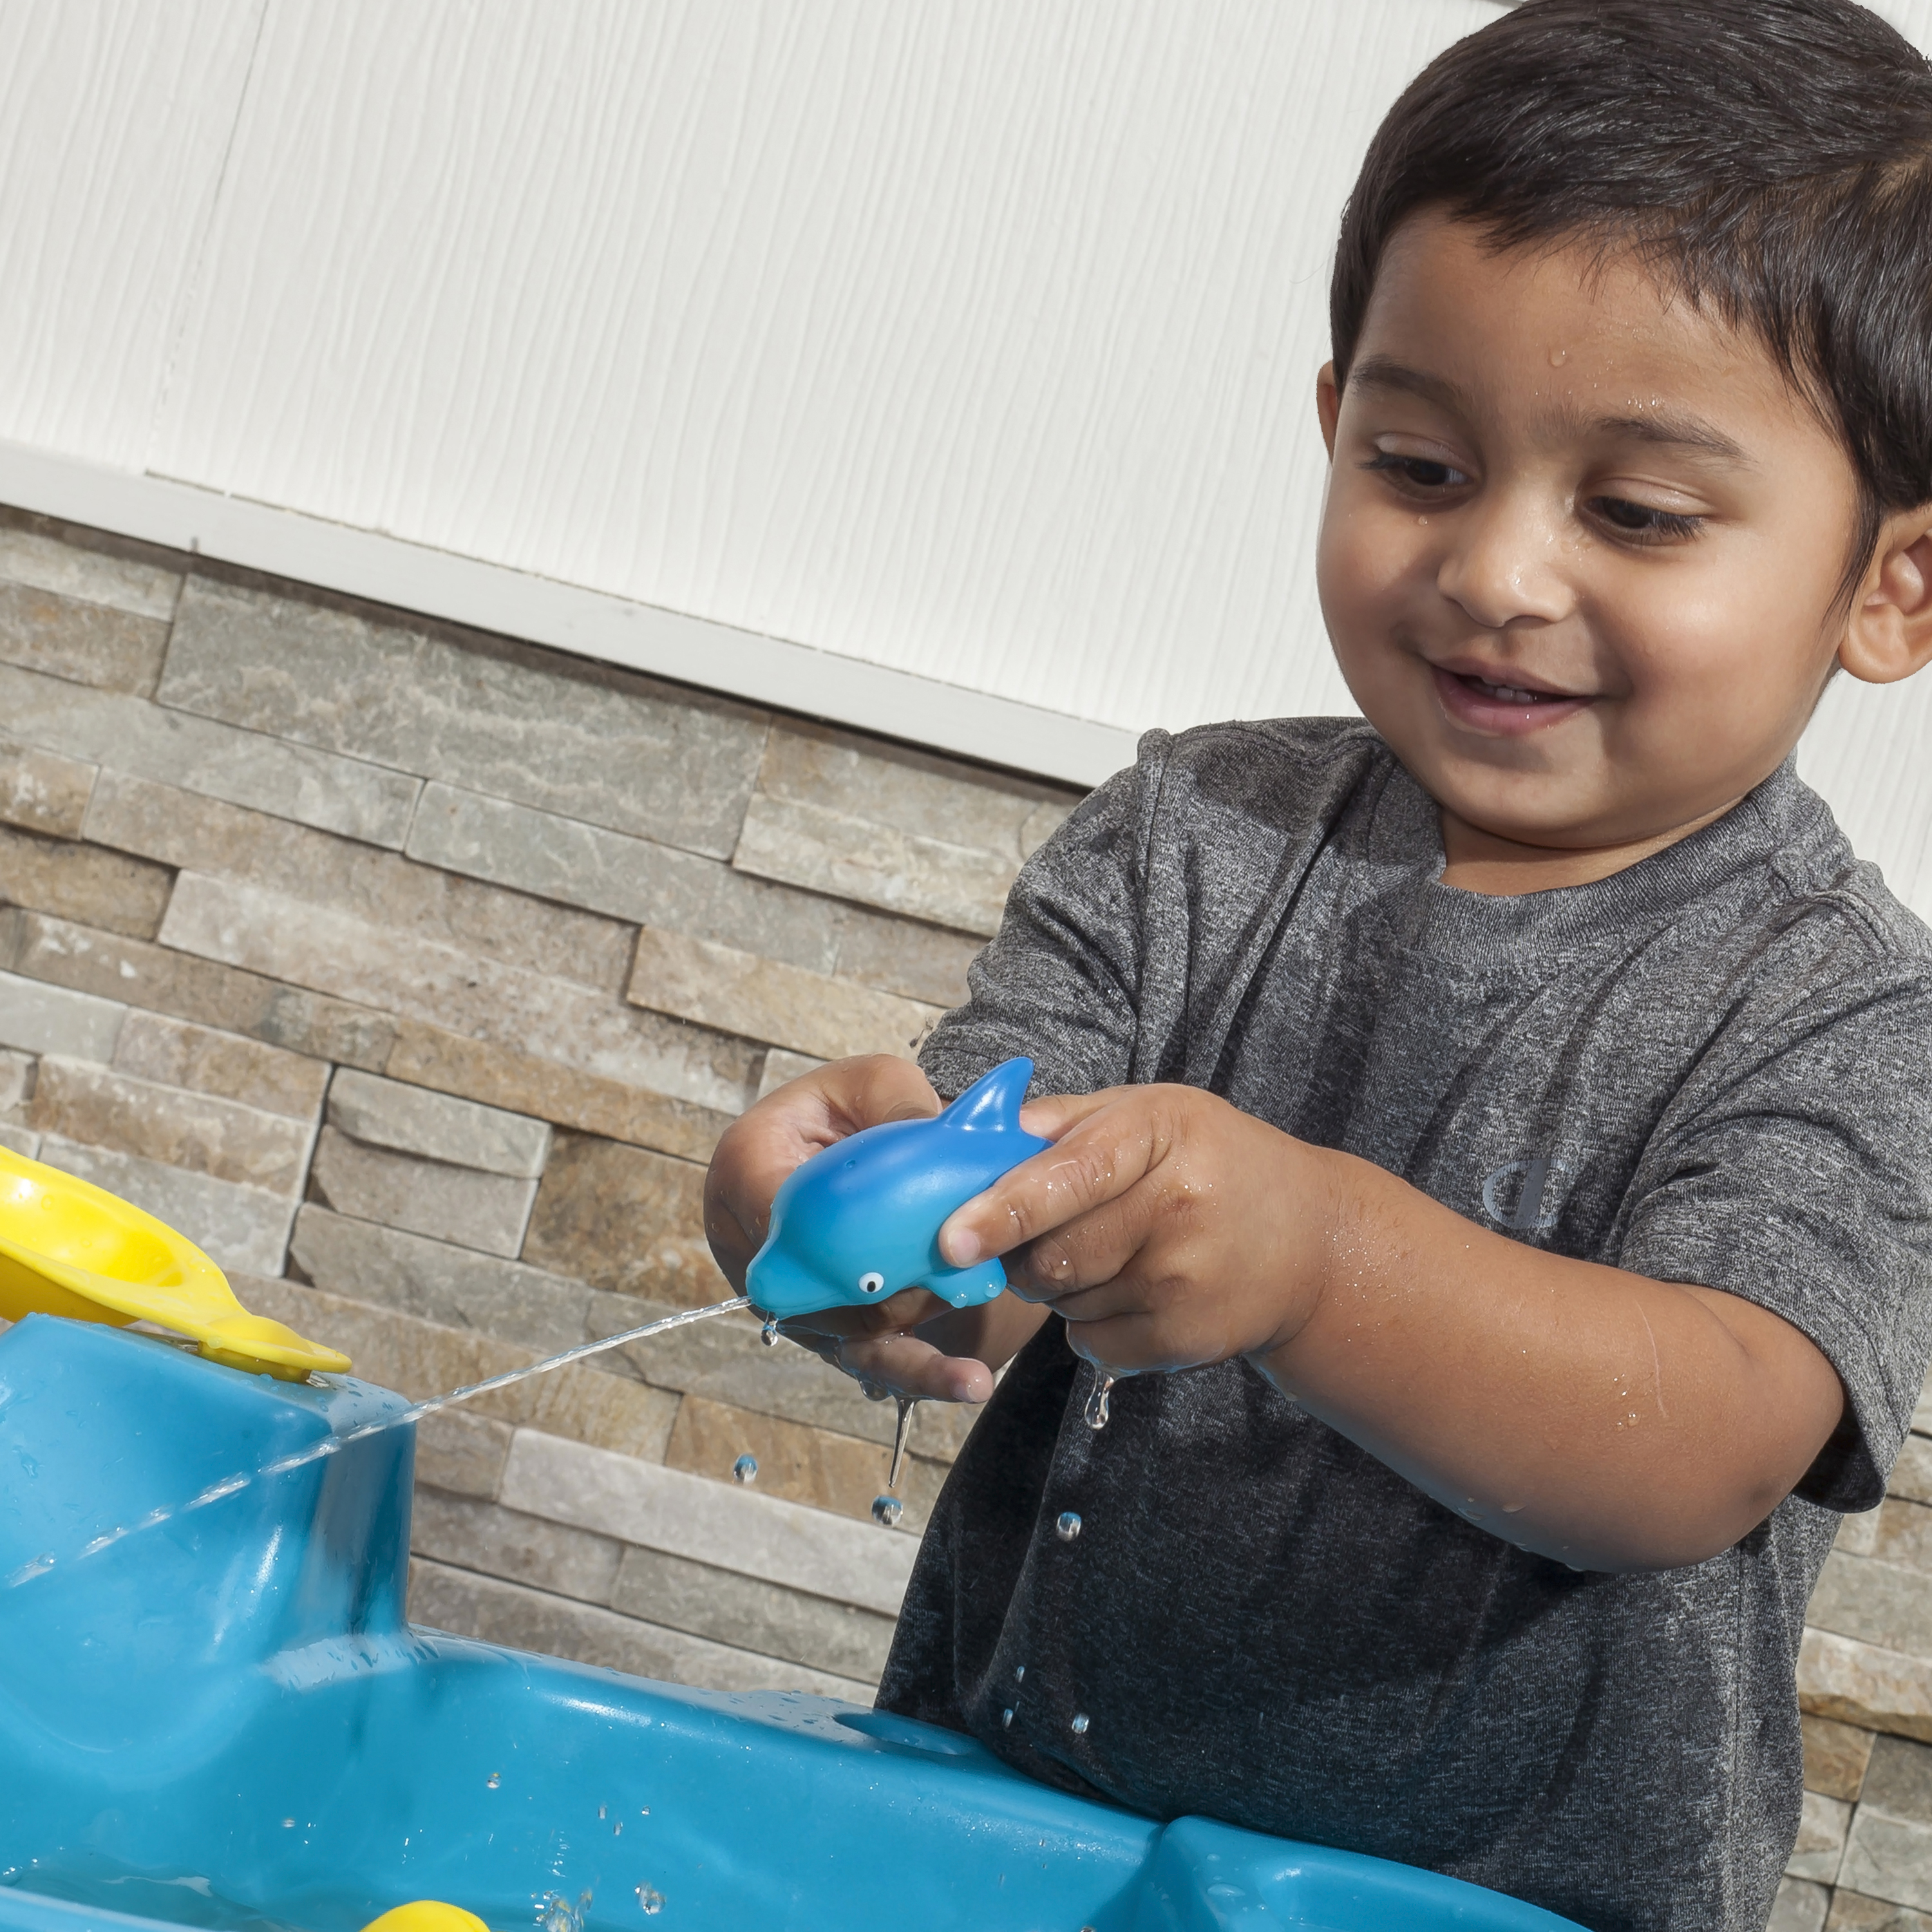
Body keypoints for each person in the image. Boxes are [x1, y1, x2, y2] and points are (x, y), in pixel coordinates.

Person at [702, 2, 1932, 1924]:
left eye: (1636, 512)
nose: (1500, 572)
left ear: (1889, 586)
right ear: (1333, 419)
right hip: (1011, 1846)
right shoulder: (1196, 836)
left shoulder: (1846, 1014)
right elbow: (994, 1229)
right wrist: (846, 1212)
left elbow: (1697, 1442)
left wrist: (1315, 1260)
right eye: (1423, 465)